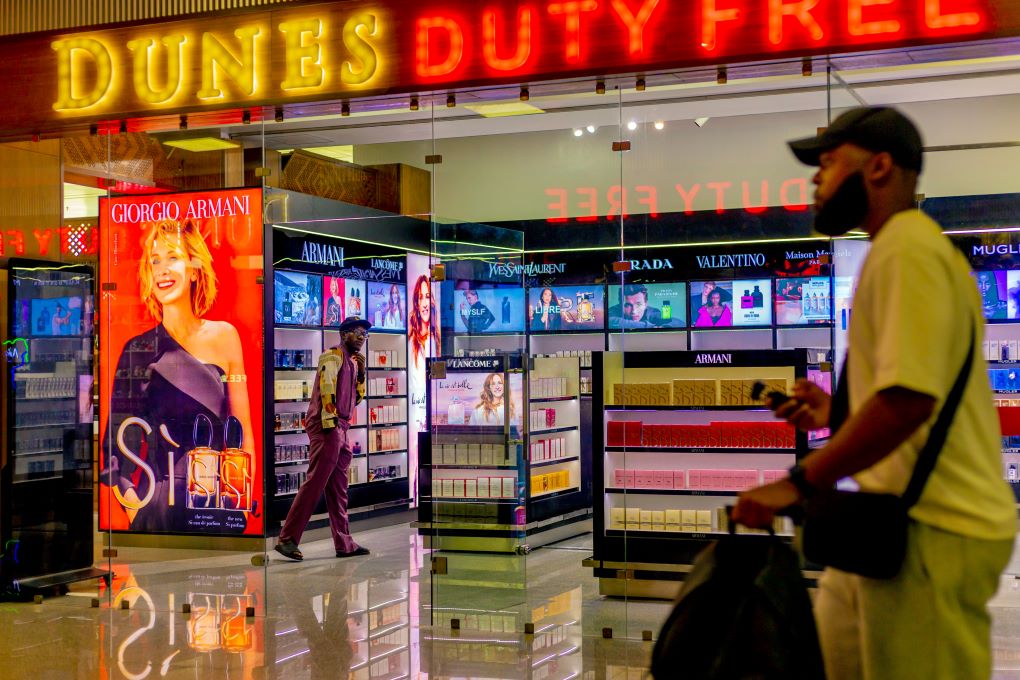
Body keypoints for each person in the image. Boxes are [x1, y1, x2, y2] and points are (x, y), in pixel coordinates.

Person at [732, 107, 1016, 680]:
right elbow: (912, 394)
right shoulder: (904, 249)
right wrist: (836, 412)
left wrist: (799, 482)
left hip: (930, 532)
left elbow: (908, 402)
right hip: (886, 527)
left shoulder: (907, 250)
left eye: (829, 163)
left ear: (879, 167)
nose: (816, 179)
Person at [103, 218, 254, 533]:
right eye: (155, 261)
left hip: (216, 505)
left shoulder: (226, 336)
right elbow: (115, 452)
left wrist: (239, 503)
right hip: (158, 510)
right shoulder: (138, 350)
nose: (162, 269)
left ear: (195, 269)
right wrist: (137, 512)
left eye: (172, 257)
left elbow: (244, 434)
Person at [276, 316, 371, 561]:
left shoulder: (352, 363)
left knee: (339, 488)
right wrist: (331, 427)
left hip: (340, 427)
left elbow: (357, 399)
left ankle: (344, 543)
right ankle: (287, 538)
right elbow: (327, 391)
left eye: (365, 334)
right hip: (328, 426)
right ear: (344, 334)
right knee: (316, 482)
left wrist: (362, 374)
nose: (362, 337)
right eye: (357, 332)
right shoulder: (331, 356)